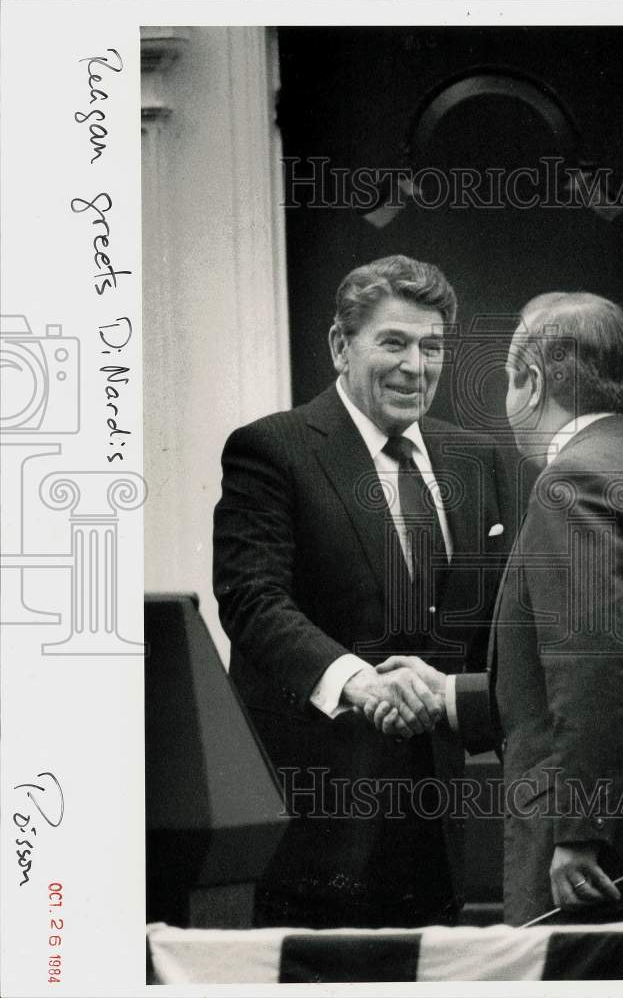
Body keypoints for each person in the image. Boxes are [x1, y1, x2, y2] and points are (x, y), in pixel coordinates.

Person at [376, 291, 623, 926]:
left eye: (507, 378)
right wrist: (448, 695)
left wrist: (579, 832)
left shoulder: (573, 481)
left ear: (533, 381)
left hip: (608, 860)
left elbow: (595, 671)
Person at [213, 255, 513, 928]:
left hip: (437, 833)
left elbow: (493, 626)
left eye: (432, 347)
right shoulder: (272, 450)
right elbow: (252, 601)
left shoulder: (475, 460)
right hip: (319, 829)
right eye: (394, 342)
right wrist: (359, 683)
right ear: (339, 346)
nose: (416, 365)